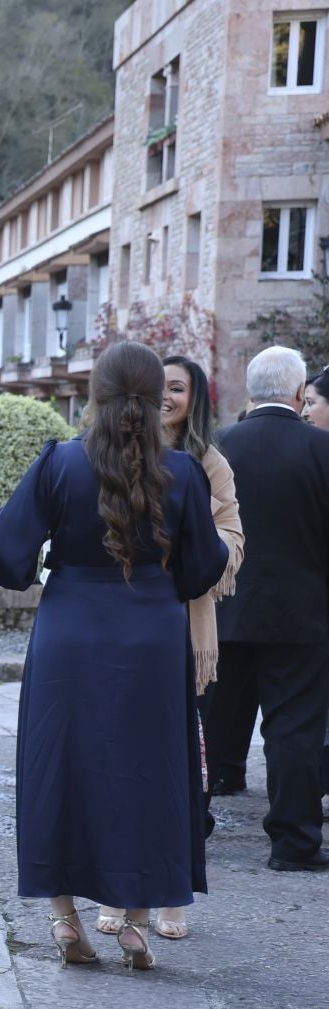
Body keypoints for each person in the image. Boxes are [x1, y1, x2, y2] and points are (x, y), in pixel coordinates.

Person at [0, 340, 230, 973]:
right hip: (149, 631)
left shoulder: (59, 463)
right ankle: (139, 924)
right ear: (157, 401)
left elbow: (4, 553)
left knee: (60, 765)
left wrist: (54, 566)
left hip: (68, 628)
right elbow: (203, 568)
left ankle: (66, 919)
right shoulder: (182, 472)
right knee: (149, 771)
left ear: (95, 395)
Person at [93, 355, 242, 941]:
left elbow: (230, 537)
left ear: (192, 397)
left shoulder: (208, 463)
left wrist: (191, 548)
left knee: (182, 767)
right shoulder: (109, 454)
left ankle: (170, 892)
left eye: (177, 389)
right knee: (114, 762)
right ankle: (115, 886)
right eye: (161, 388)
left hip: (182, 624)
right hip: (115, 625)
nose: (166, 399)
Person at [204, 345, 329, 873]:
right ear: (300, 393)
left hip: (224, 608)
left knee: (210, 726)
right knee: (294, 730)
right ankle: (294, 843)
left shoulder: (214, 447)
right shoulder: (322, 450)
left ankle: (191, 826)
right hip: (302, 615)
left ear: (249, 389)